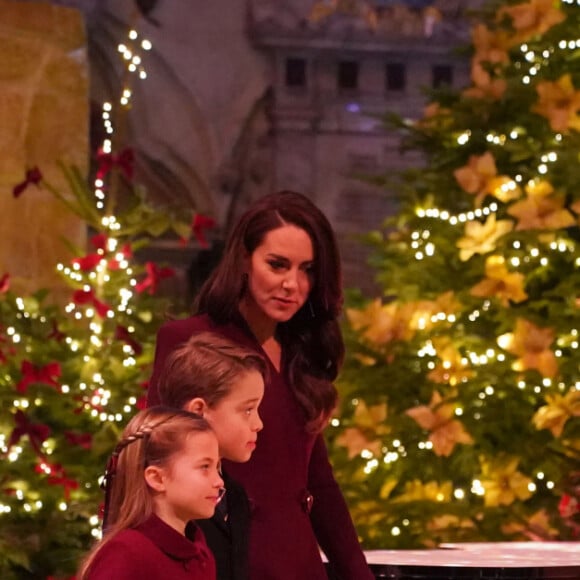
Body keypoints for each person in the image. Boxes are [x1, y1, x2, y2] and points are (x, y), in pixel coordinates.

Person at [148, 191, 374, 580]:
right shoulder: (189, 341)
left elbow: (318, 481)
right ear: (244, 261)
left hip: (299, 562)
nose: (293, 284)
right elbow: (155, 463)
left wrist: (357, 572)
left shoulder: (304, 350)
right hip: (224, 562)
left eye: (307, 270)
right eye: (277, 264)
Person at [156, 331, 267, 580]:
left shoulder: (234, 497)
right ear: (199, 411)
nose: (258, 423)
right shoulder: (164, 498)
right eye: (247, 409)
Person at [78, 407, 224, 580]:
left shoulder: (201, 556)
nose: (219, 481)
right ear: (157, 478)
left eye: (217, 467)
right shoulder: (127, 554)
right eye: (205, 467)